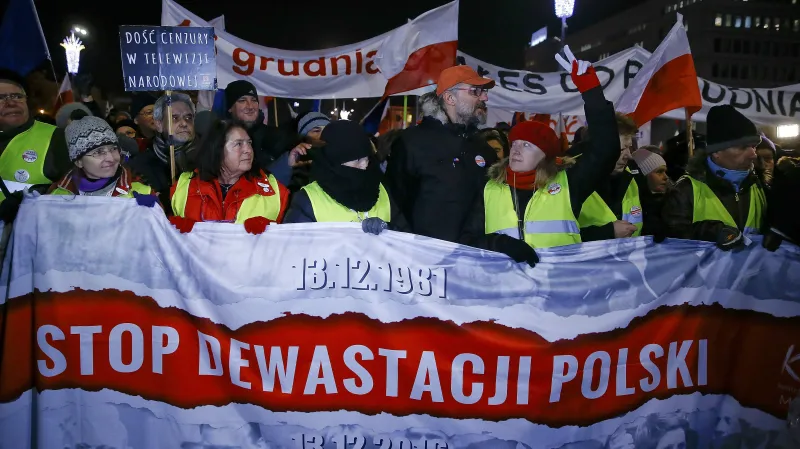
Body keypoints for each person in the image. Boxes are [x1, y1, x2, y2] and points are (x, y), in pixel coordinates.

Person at [460, 47, 621, 265]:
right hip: (507, 291)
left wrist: (591, 92)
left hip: (560, 288)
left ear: (545, 155)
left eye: (527, 145)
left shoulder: (569, 183)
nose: (516, 149)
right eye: (515, 143)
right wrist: (499, 244)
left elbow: (606, 148)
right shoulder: (489, 187)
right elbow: (468, 239)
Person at [385, 65, 498, 243]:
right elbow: (393, 203)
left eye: (483, 91)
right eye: (475, 91)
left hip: (476, 260)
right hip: (425, 261)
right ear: (450, 98)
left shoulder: (483, 148)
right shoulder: (412, 142)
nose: (485, 97)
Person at [662, 105, 766, 250]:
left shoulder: (761, 185)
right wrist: (709, 232)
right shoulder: (686, 190)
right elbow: (670, 242)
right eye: (743, 147)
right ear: (717, 152)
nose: (753, 154)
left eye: (754, 146)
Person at [284, 120, 409, 234]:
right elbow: (294, 247)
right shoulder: (308, 200)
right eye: (357, 161)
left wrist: (388, 228)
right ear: (335, 162)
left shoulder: (383, 191)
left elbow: (407, 236)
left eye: (367, 159)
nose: (364, 166)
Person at [169, 120, 289, 234]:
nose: (248, 150)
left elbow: (289, 242)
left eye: (249, 143)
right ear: (217, 149)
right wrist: (172, 230)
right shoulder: (183, 187)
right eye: (238, 144)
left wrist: (270, 232)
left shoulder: (275, 192)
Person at [0, 70, 71, 223]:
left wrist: (38, 198)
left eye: (17, 96)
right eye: (1, 98)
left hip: (29, 238)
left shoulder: (58, 138)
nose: (11, 102)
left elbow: (78, 194)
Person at [47, 117, 157, 204]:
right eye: (99, 152)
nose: (111, 158)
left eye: (114, 149)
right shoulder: (58, 198)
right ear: (78, 161)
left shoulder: (141, 193)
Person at [574, 113, 642, 241]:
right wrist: (608, 232)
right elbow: (559, 236)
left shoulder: (632, 175)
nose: (628, 155)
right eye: (621, 150)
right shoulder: (569, 182)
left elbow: (649, 213)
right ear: (600, 149)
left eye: (629, 148)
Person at [127, 92, 197, 210]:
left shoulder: (208, 158)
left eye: (188, 117)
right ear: (158, 124)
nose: (184, 123)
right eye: (175, 118)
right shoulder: (140, 165)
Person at [225, 80, 295, 175]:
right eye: (242, 100)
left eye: (254, 100)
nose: (250, 106)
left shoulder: (274, 137)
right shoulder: (220, 139)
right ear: (230, 108)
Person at [631, 146, 670, 239]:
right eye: (659, 172)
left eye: (665, 172)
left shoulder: (671, 201)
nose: (665, 177)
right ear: (644, 175)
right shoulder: (632, 204)